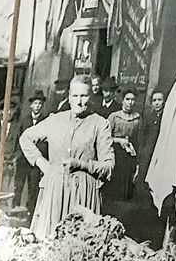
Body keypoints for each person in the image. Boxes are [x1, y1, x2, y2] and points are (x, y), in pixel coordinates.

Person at [19, 76, 115, 240]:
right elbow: (25, 138)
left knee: (79, 248)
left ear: (90, 97)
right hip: (55, 191)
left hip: (84, 193)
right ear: (69, 97)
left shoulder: (100, 124)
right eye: (75, 96)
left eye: (84, 96)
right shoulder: (55, 120)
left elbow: (109, 166)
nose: (79, 101)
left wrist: (82, 165)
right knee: (50, 242)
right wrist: (43, 164)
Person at [14, 90, 48, 215]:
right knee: (18, 186)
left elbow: (46, 142)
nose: (37, 106)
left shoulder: (45, 121)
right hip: (23, 159)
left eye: (40, 103)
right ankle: (15, 207)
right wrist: (17, 155)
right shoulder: (24, 120)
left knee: (33, 187)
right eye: (35, 103)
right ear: (31, 105)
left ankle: (30, 212)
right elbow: (18, 138)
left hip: (36, 161)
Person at [106, 87, 141, 203]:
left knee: (127, 187)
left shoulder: (137, 118)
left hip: (129, 156)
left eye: (132, 99)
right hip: (115, 154)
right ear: (122, 100)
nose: (130, 102)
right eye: (127, 99)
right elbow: (105, 138)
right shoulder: (114, 117)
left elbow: (139, 141)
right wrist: (118, 141)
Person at [138, 90, 164, 179]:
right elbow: (142, 138)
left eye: (159, 100)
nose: (156, 103)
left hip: (160, 152)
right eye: (154, 100)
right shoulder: (148, 118)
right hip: (148, 153)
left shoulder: (166, 118)